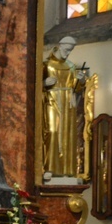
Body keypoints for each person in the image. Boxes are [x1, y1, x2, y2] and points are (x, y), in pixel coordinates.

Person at [43, 36, 87, 176]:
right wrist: (44, 83)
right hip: (52, 99)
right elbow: (34, 85)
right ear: (60, 46)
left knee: (68, 134)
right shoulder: (46, 64)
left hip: (68, 101)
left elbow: (77, 87)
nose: (68, 54)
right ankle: (48, 167)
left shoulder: (71, 65)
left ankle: (66, 170)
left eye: (70, 51)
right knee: (52, 131)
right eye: (67, 50)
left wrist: (80, 80)